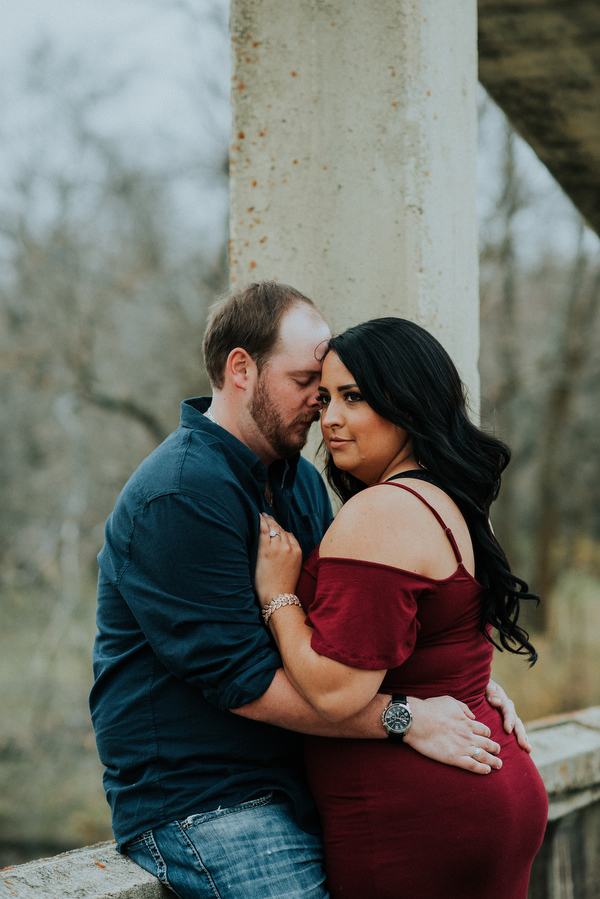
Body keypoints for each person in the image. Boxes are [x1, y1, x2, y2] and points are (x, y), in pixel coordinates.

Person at [90, 282, 531, 899]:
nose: (322, 411)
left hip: (298, 780)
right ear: (241, 369)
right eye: (308, 385)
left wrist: (459, 677)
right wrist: (407, 717)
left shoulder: (296, 478)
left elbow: (354, 625)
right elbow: (240, 680)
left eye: (335, 393)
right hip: (211, 801)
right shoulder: (181, 493)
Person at [254, 316, 548, 899]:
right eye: (325, 397)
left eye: (354, 397)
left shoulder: (382, 512)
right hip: (488, 787)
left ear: (408, 405)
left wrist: (279, 596)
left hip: (417, 819)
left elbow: (338, 693)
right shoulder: (449, 500)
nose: (329, 418)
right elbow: (445, 640)